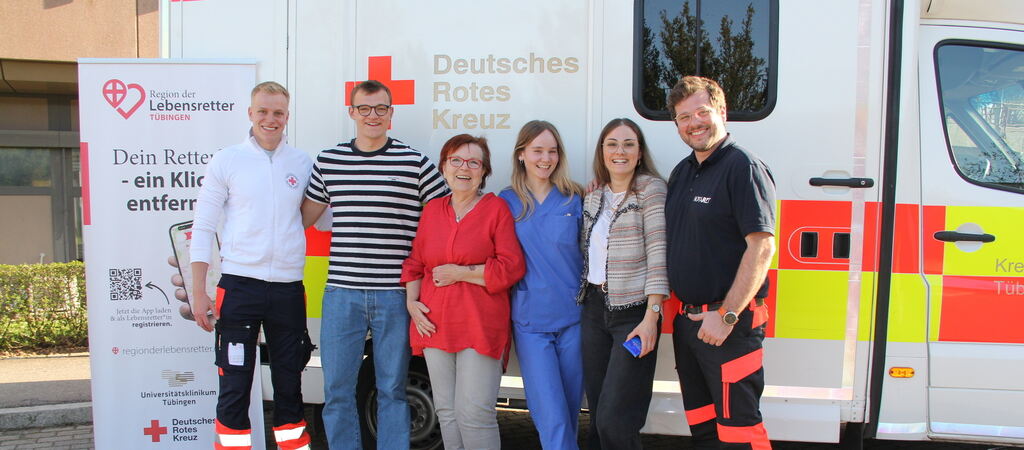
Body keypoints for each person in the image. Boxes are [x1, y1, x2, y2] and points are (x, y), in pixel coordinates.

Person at [300, 80, 449, 450]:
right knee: (337, 390)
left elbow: (449, 217)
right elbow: (300, 220)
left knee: (392, 390)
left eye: (381, 108)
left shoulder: (414, 162)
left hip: (395, 295)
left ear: (391, 113)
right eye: (364, 108)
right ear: (351, 112)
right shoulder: (329, 161)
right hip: (342, 293)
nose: (373, 116)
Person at [189, 81, 314, 450]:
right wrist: (199, 291)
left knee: (290, 385)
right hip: (239, 287)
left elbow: (320, 218)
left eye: (278, 112)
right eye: (263, 111)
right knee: (235, 385)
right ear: (250, 113)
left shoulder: (303, 163)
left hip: (288, 289)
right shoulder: (227, 160)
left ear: (287, 116)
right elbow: (203, 227)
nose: (270, 119)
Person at [665, 76, 776, 449]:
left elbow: (761, 246)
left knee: (739, 434)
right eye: (684, 117)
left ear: (722, 111)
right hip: (690, 325)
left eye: (702, 112)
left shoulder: (742, 166)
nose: (694, 123)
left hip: (729, 324)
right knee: (704, 431)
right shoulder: (682, 172)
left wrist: (726, 315)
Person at [402, 134, 526, 450]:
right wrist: (412, 303)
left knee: (474, 414)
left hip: (479, 325)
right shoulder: (432, 210)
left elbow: (511, 267)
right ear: (444, 167)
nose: (464, 168)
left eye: (473, 162)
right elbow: (415, 263)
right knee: (447, 412)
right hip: (434, 323)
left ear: (484, 171)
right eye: (456, 160)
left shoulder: (495, 209)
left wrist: (462, 273)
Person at [579, 118, 668, 450]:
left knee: (615, 419)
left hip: (633, 315)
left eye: (629, 144)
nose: (620, 151)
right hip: (593, 311)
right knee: (597, 415)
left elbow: (658, 251)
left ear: (640, 152)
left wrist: (651, 317)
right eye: (612, 144)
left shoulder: (651, 189)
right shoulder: (593, 196)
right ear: (602, 152)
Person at [498, 120, 585, 450]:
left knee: (569, 412)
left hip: (574, 318)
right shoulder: (506, 202)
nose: (545, 159)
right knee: (551, 415)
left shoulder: (575, 198)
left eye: (552, 151)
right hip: (531, 323)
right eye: (537, 151)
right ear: (521, 154)